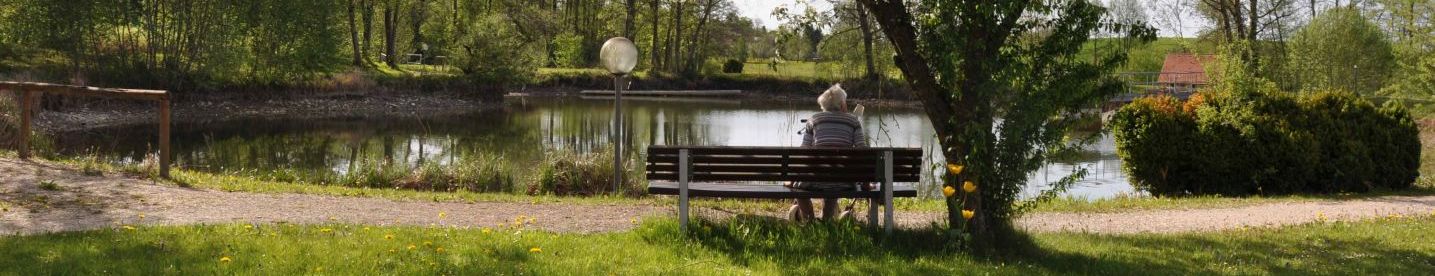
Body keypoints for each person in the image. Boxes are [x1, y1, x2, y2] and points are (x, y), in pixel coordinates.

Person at [787, 84, 866, 221]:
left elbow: (804, 151)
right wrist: (865, 182)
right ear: (842, 104)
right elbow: (863, 152)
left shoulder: (814, 120)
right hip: (844, 182)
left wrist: (792, 179)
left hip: (814, 180)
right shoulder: (853, 121)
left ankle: (809, 221)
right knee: (834, 179)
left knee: (798, 189)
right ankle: (826, 222)